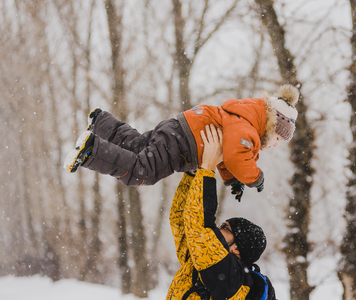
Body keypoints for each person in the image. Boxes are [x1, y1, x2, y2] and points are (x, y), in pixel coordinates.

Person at [64, 84, 299, 201]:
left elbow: (229, 155)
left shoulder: (246, 118)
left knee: (135, 147)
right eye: (278, 138)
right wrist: (255, 177)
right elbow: (237, 156)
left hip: (179, 128)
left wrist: (232, 181)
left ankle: (100, 121)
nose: (276, 144)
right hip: (184, 143)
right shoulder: (249, 129)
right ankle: (90, 150)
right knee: (142, 171)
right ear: (272, 126)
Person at [166, 124, 277, 300]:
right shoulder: (203, 259)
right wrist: (194, 173)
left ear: (236, 250)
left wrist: (208, 168)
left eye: (225, 227)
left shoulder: (230, 275)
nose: (218, 227)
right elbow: (181, 220)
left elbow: (198, 226)